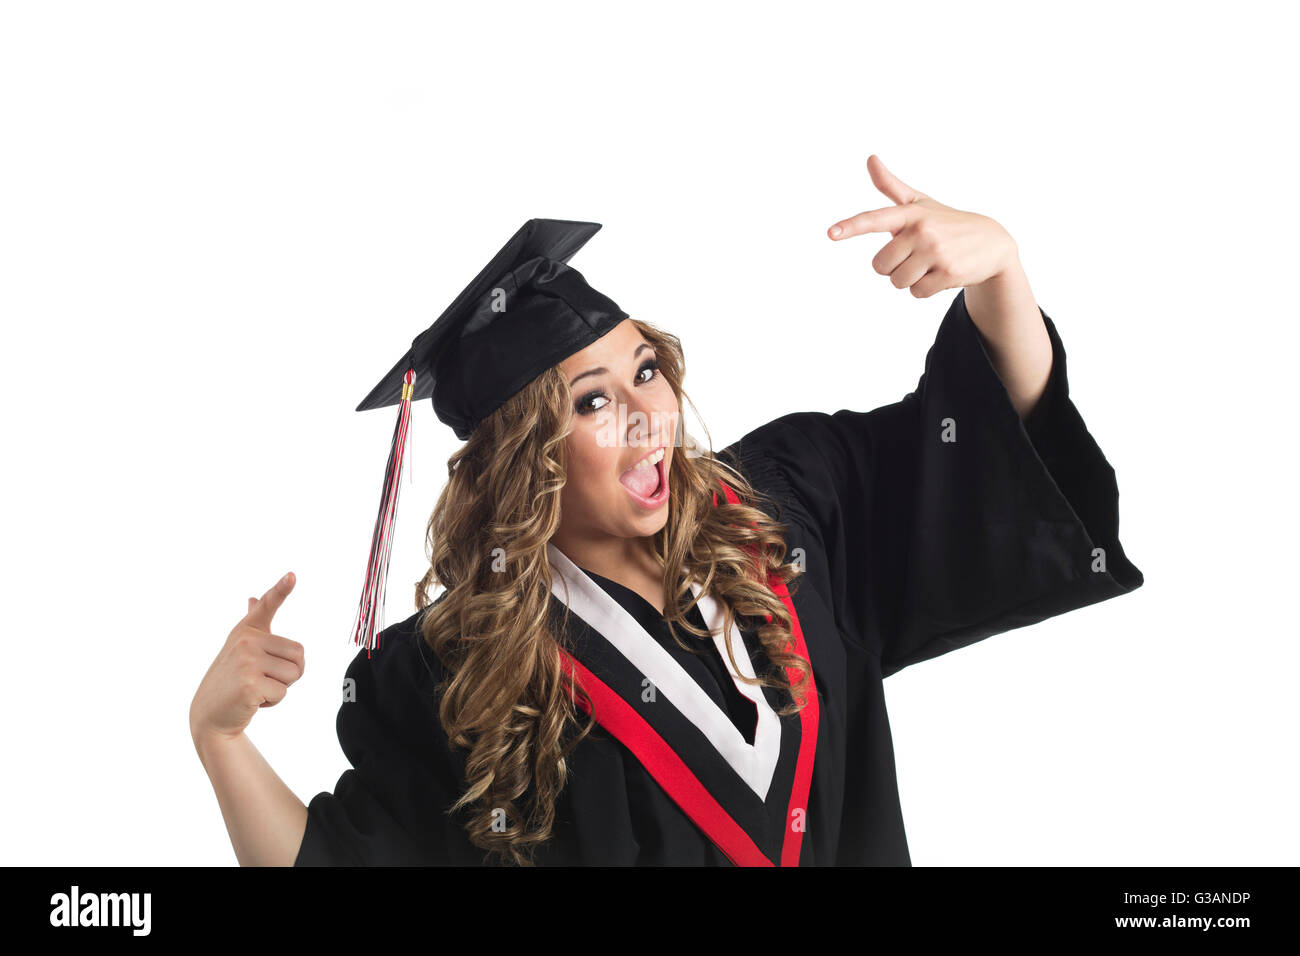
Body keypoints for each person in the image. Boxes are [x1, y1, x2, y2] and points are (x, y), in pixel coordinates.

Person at [190, 158, 1144, 866]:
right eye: (592, 401)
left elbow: (987, 444)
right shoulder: (455, 667)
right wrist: (220, 740)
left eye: (644, 368)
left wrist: (1000, 277)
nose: (647, 411)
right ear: (528, 462)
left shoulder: (784, 507)